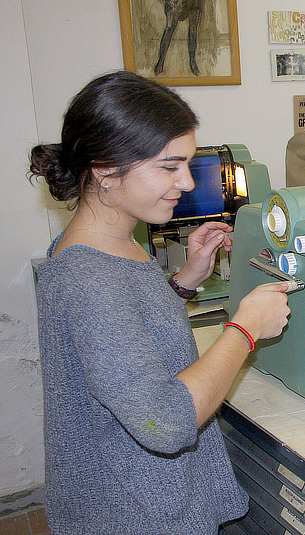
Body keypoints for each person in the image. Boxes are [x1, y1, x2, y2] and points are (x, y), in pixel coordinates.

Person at [30, 71, 290, 533]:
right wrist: (246, 329)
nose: (186, 182)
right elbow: (166, 422)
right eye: (169, 167)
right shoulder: (87, 277)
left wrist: (185, 280)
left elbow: (120, 336)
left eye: (187, 164)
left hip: (150, 495)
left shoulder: (112, 243)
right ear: (105, 169)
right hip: (135, 512)